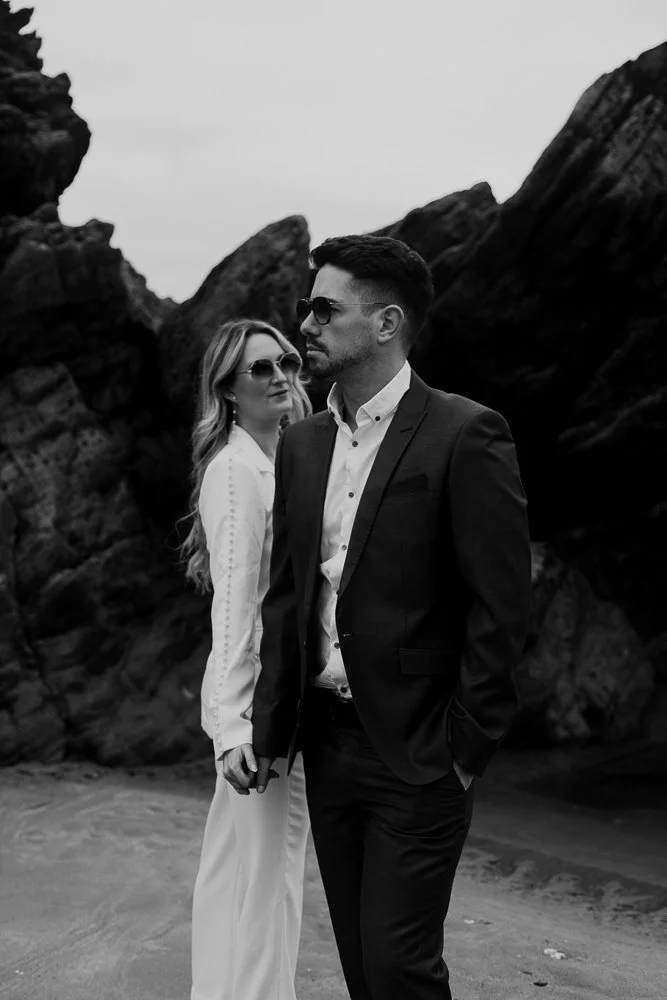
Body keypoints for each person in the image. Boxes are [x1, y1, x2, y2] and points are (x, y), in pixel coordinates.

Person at [251, 236, 532, 1000]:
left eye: (324, 309)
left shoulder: (465, 432)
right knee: (361, 968)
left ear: (386, 323)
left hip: (420, 748)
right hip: (327, 744)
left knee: (401, 968)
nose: (304, 324)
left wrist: (464, 747)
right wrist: (270, 731)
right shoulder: (301, 443)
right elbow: (288, 593)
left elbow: (502, 604)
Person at [182, 318, 312, 1000]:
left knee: (233, 871)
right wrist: (234, 726)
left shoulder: (284, 456)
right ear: (228, 391)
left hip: (265, 698)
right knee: (268, 880)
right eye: (259, 369)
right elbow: (232, 602)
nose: (281, 376)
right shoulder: (235, 471)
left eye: (287, 360)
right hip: (262, 706)